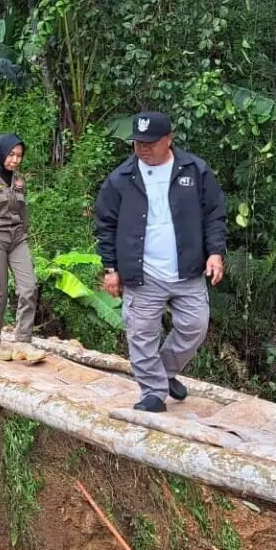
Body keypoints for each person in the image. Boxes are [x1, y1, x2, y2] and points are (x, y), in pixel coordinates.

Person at [93, 110, 227, 413]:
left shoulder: (195, 170)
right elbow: (105, 225)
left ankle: (163, 374)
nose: (143, 149)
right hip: (142, 272)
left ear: (169, 140)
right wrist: (111, 268)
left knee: (195, 326)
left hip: (188, 267)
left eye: (150, 143)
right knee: (141, 333)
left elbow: (214, 214)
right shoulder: (121, 179)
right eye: (138, 143)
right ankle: (153, 391)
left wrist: (215, 252)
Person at [0, 135, 45, 364]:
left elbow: (24, 214)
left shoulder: (20, 181)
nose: (15, 160)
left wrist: (23, 233)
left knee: (29, 288)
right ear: (2, 153)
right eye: (11, 154)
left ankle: (23, 342)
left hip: (17, 239)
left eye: (19, 156)